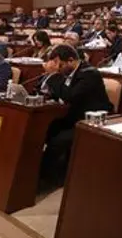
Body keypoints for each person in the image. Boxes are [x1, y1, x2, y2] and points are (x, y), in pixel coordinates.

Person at [40, 44, 113, 186]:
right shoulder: (68, 73)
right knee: (45, 130)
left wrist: (53, 75)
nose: (58, 68)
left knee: (57, 141)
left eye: (59, 64)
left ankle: (52, 179)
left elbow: (70, 96)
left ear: (71, 60)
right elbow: (59, 93)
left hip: (90, 121)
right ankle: (46, 170)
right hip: (73, 115)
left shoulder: (89, 73)